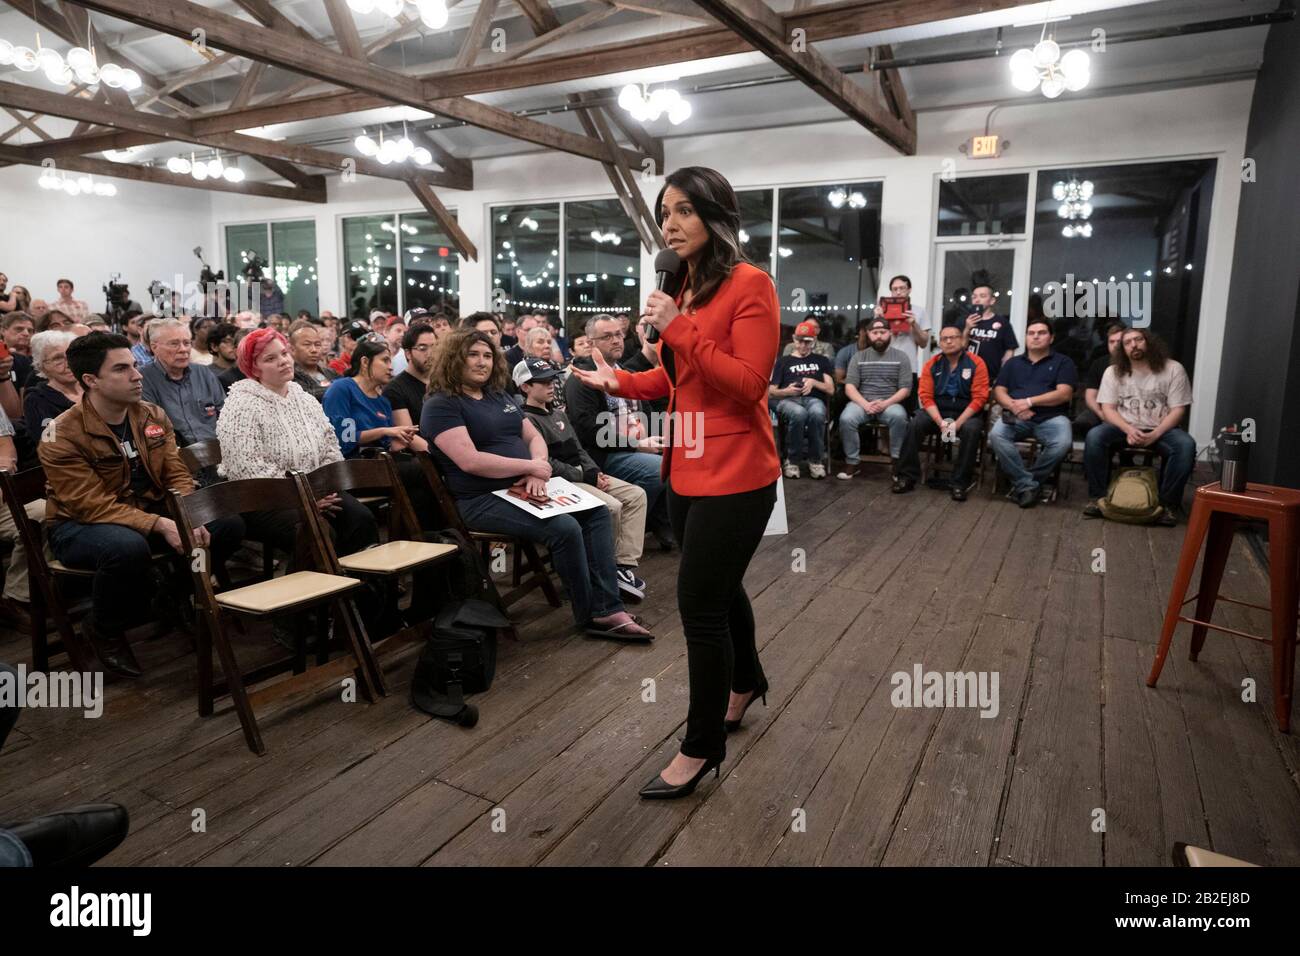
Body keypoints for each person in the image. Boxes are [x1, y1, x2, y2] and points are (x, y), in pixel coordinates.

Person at [572, 166, 780, 799]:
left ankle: (701, 745)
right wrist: (622, 383)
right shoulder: (683, 288)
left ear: (717, 216)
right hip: (685, 464)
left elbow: (747, 385)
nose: (671, 223)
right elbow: (676, 379)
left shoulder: (752, 286)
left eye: (685, 210)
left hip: (739, 471)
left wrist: (677, 327)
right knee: (719, 588)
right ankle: (746, 682)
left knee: (699, 607)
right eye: (665, 213)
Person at [422, 328, 651, 642]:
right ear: (453, 359)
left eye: (487, 355)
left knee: (597, 511)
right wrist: (530, 466)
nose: (482, 362)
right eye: (472, 355)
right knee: (566, 528)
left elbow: (531, 436)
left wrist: (536, 472)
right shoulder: (441, 404)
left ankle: (608, 607)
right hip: (481, 498)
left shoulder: (497, 395)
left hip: (526, 485)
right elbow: (470, 460)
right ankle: (591, 614)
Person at [40, 332, 243, 676]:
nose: (137, 375)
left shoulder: (149, 415)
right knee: (126, 548)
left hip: (147, 511)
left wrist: (187, 512)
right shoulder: (61, 434)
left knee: (227, 523)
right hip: (79, 525)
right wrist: (162, 524)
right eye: (122, 369)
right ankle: (102, 628)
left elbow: (176, 473)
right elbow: (91, 505)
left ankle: (174, 595)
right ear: (91, 380)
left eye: (134, 365)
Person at [216, 328, 398, 628]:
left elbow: (330, 446)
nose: (284, 361)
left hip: (316, 490)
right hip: (262, 499)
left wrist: (321, 488)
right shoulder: (241, 404)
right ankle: (297, 620)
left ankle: (360, 607)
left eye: (285, 354)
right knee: (317, 529)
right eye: (271, 358)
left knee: (360, 518)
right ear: (254, 367)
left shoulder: (303, 398)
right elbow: (246, 468)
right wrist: (304, 496)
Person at [516, 356, 649, 602]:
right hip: (558, 481)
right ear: (525, 387)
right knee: (610, 506)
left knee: (635, 495)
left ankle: (622, 566)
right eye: (543, 382)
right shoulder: (527, 420)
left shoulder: (558, 414)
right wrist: (584, 474)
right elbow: (547, 464)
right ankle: (604, 569)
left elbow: (579, 449)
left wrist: (594, 471)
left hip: (582, 474)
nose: (551, 385)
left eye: (553, 380)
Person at [564, 313, 669, 543]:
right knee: (660, 469)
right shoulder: (582, 378)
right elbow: (589, 431)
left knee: (682, 456)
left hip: (634, 446)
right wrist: (637, 445)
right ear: (591, 343)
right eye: (607, 336)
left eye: (619, 334)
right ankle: (628, 530)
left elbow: (648, 411)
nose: (616, 340)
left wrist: (655, 438)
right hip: (606, 454)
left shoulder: (627, 373)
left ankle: (647, 523)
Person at [1083, 328, 1195, 525]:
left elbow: (1178, 410)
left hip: (1161, 428)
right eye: (1127, 343)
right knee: (1094, 437)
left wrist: (1156, 433)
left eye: (1138, 339)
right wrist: (1127, 429)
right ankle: (1097, 498)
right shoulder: (1113, 371)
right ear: (1122, 349)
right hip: (1123, 425)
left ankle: (1167, 505)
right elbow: (1108, 409)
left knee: (1186, 446)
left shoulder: (1173, 369)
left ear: (1149, 342)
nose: (1133, 345)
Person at [987, 317, 1078, 508]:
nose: (1035, 337)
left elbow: (1064, 394)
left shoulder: (1063, 362)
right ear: (1026, 337)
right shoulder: (1013, 363)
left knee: (1062, 443)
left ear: (1051, 338)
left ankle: (1026, 484)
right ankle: (1028, 485)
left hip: (1052, 417)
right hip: (1016, 415)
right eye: (1031, 333)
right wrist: (1014, 407)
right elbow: (999, 391)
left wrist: (1028, 402)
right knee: (997, 435)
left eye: (1041, 333)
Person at [895, 323, 990, 500]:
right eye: (944, 338)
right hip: (938, 410)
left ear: (962, 340)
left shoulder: (977, 363)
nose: (948, 341)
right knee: (915, 423)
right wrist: (940, 422)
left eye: (953, 337)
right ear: (940, 342)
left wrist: (957, 423)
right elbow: (926, 397)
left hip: (966, 411)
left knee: (972, 429)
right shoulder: (932, 364)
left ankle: (959, 483)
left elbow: (980, 398)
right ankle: (906, 476)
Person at [836, 317, 912, 480]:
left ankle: (897, 461)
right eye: (875, 332)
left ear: (890, 333)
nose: (879, 336)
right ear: (868, 334)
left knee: (899, 417)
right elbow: (850, 387)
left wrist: (885, 403)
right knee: (846, 418)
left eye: (883, 332)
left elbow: (905, 389)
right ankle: (853, 462)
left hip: (890, 403)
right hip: (862, 403)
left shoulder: (902, 357)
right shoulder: (859, 357)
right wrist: (865, 404)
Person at [322, 337, 416, 458]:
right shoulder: (341, 389)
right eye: (385, 360)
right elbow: (345, 439)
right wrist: (384, 431)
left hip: (381, 463)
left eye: (390, 361)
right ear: (365, 362)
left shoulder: (383, 402)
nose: (390, 367)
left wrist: (401, 440)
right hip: (350, 465)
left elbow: (387, 445)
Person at [139, 318, 226, 447]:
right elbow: (152, 430)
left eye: (187, 343)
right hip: (174, 457)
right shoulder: (143, 379)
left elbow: (225, 414)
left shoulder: (204, 374)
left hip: (218, 451)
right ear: (154, 347)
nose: (183, 349)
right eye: (174, 344)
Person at [769, 320, 833, 479]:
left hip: (813, 399)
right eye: (799, 341)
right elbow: (771, 392)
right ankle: (792, 460)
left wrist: (814, 382)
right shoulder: (783, 362)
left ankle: (816, 460)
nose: (803, 345)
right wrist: (787, 391)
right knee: (799, 414)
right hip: (789, 400)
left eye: (807, 342)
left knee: (818, 413)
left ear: (814, 340)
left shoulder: (821, 360)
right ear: (793, 339)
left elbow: (831, 389)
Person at [23, 330, 81, 442]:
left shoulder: (93, 387)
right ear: (42, 365)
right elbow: (50, 443)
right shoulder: (37, 399)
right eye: (58, 358)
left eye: (71, 355)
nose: (69, 364)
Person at [963, 280, 1018, 383]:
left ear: (992, 300)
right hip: (967, 375)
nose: (977, 300)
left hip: (992, 376)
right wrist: (967, 329)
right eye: (974, 297)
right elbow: (959, 348)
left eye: (982, 296)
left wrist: (1003, 374)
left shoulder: (1003, 323)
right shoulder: (965, 321)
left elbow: (1009, 350)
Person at [1076, 322, 1127, 433]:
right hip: (1101, 408)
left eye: (1119, 341)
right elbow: (1090, 396)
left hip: (1129, 408)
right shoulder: (1099, 363)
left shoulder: (1137, 363)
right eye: (1111, 342)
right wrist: (1101, 413)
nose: (1115, 345)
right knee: (1080, 423)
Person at [874, 274, 931, 372]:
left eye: (902, 288)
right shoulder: (882, 311)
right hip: (885, 365)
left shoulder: (920, 311)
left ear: (909, 290)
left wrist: (914, 324)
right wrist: (878, 319)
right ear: (891, 291)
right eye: (894, 289)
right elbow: (874, 341)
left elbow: (923, 343)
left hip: (909, 367)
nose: (898, 292)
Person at [288, 319, 338, 401]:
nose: (314, 350)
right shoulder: (290, 375)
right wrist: (340, 388)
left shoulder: (331, 372)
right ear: (292, 349)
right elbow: (306, 395)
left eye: (317, 344)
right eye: (307, 344)